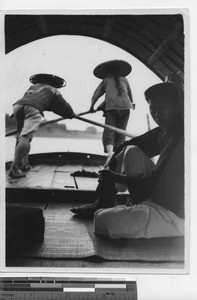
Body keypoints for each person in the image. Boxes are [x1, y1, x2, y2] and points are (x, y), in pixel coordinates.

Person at [71, 82, 184, 239]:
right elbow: (127, 144)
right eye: (153, 108)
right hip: (158, 198)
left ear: (178, 106)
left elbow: (154, 182)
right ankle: (104, 201)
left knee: (101, 219)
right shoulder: (164, 131)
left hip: (174, 216)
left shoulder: (182, 137)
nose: (157, 114)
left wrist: (115, 177)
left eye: (163, 106)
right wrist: (107, 179)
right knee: (130, 150)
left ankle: (125, 209)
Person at [8, 73, 75, 179]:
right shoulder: (53, 90)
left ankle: (24, 164)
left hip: (17, 106)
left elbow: (42, 104)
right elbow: (64, 107)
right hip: (33, 108)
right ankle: (14, 168)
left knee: (21, 135)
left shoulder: (33, 87)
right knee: (26, 137)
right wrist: (70, 114)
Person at [89, 60, 134, 164]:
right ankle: (118, 156)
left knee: (109, 130)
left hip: (112, 108)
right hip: (126, 107)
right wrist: (132, 103)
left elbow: (96, 94)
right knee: (121, 131)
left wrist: (91, 107)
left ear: (107, 72)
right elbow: (129, 95)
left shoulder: (106, 80)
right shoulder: (124, 79)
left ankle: (110, 156)